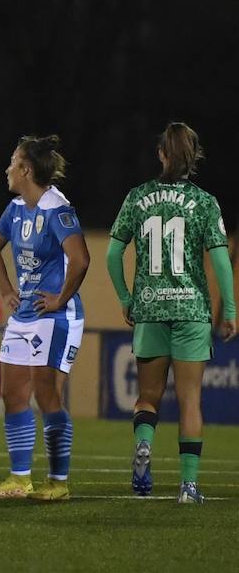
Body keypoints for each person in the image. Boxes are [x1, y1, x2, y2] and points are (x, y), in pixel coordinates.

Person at [106, 122, 236, 503]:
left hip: (149, 308)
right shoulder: (206, 203)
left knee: (148, 397)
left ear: (161, 155)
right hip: (191, 310)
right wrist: (228, 308)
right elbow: (221, 261)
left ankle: (144, 447)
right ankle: (188, 486)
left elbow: (113, 254)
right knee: (190, 400)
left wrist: (126, 298)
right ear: (193, 158)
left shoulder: (137, 197)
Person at [0, 136, 90, 502]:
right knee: (12, 393)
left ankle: (58, 482)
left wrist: (61, 298)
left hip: (54, 315)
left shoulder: (57, 209)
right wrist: (6, 290)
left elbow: (80, 259)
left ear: (26, 170)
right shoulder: (15, 209)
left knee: (46, 394)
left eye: (13, 162)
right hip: (24, 314)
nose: (7, 168)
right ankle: (19, 478)